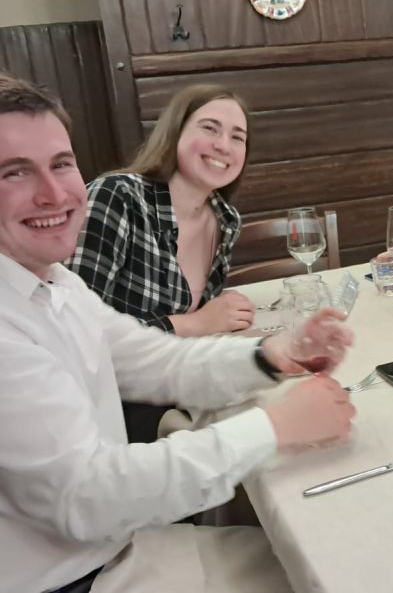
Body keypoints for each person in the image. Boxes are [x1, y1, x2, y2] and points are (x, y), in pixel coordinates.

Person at [0, 72, 355, 592]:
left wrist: (273, 354)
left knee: (327, 553)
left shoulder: (54, 282)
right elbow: (88, 498)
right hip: (75, 578)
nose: (53, 193)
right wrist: (277, 427)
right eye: (14, 172)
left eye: (61, 163)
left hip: (119, 545)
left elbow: (154, 360)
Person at [64, 84, 257, 442]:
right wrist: (197, 322)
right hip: (108, 410)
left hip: (176, 386)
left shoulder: (225, 219)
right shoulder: (117, 197)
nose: (223, 145)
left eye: (237, 137)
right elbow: (75, 335)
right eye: (209, 128)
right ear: (175, 132)